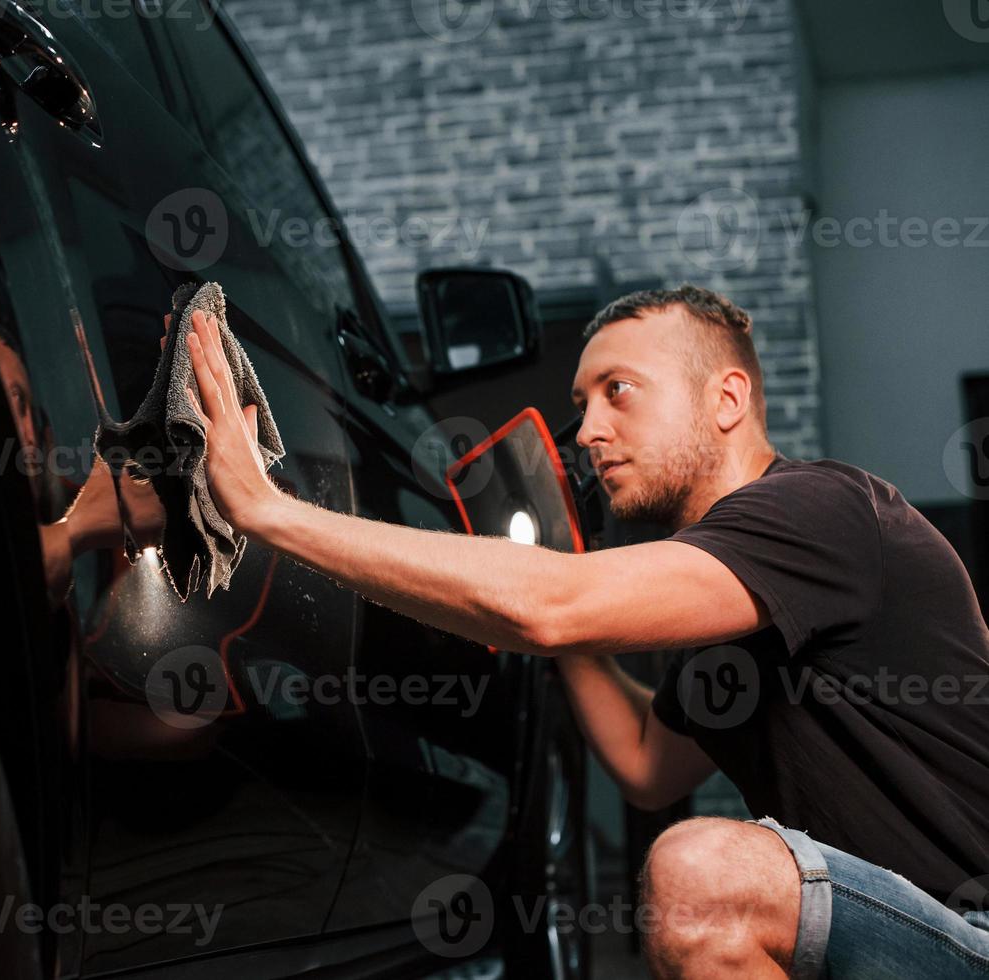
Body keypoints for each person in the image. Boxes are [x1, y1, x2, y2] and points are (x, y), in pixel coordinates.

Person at [181, 284, 989, 978]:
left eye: (619, 391)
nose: (591, 429)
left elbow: (553, 606)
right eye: (582, 405)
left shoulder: (819, 509)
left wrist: (267, 511)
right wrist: (559, 617)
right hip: (902, 931)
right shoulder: (736, 597)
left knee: (704, 874)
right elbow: (646, 761)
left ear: (727, 400)